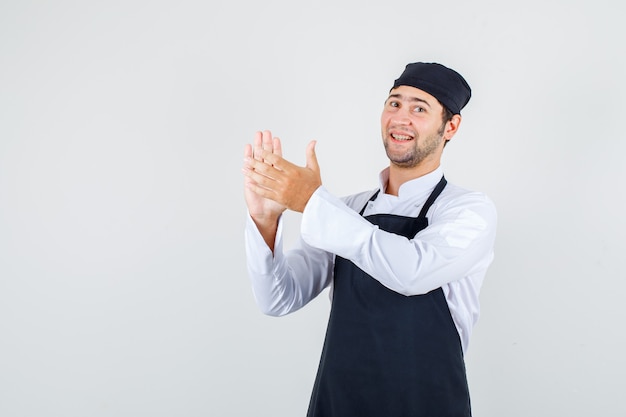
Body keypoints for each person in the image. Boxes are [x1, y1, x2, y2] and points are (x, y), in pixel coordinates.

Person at [242, 62, 497, 417]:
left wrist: (314, 203)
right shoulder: (348, 210)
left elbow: (412, 272)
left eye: (419, 108)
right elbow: (278, 298)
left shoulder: (468, 211)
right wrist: (266, 219)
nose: (401, 118)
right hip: (339, 404)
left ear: (450, 126)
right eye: (394, 103)